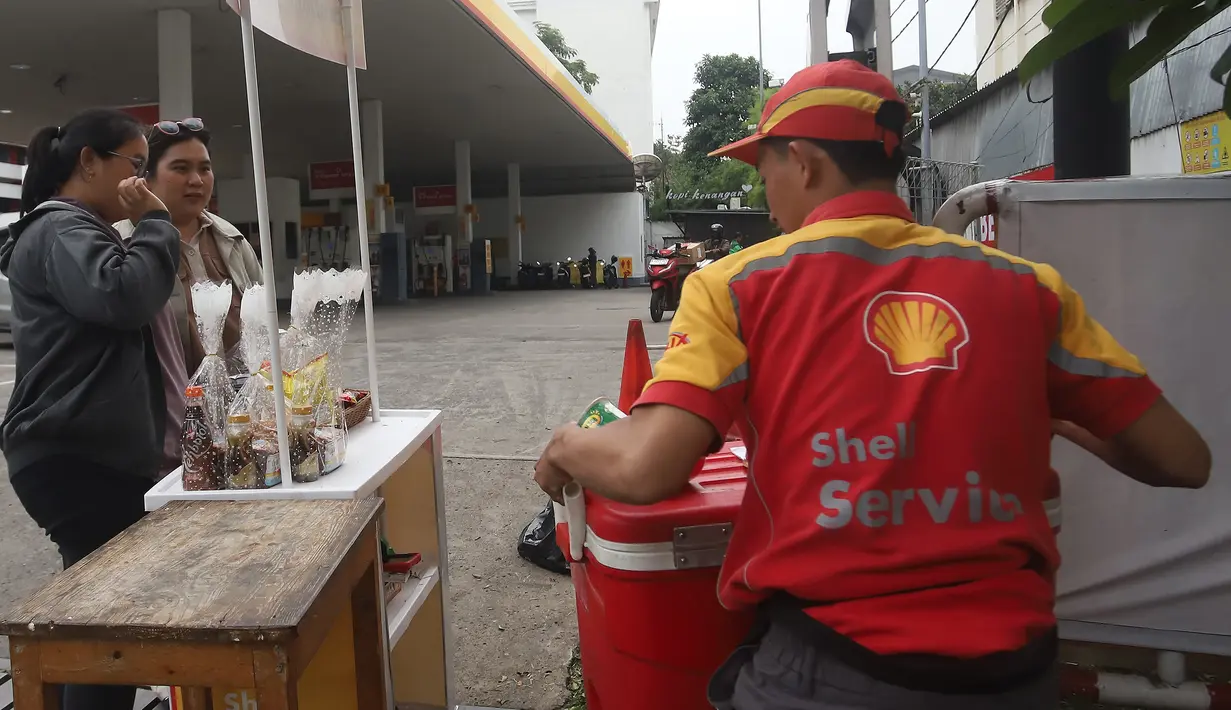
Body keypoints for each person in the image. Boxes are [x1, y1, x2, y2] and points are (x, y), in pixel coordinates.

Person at [533, 61, 1211, 709]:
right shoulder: (1024, 286)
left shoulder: (738, 285)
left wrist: (565, 447)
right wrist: (1055, 416)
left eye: (763, 168)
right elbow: (1182, 460)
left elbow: (648, 466)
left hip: (831, 668)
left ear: (803, 160)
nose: (765, 196)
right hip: (1016, 673)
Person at [0, 108, 179, 710]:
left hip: (82, 452)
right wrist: (155, 225)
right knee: (112, 630)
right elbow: (122, 296)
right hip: (75, 455)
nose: (144, 180)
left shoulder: (78, 230)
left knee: (108, 621)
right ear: (88, 162)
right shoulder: (61, 230)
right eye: (135, 164)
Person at [116, 118, 263, 377]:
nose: (196, 180)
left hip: (242, 405)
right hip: (164, 406)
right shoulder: (120, 244)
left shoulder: (232, 240)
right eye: (180, 168)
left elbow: (263, 320)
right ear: (144, 179)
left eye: (204, 169)